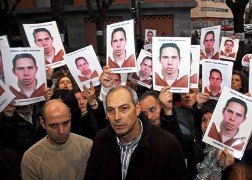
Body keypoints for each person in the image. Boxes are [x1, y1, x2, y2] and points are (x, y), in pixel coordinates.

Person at [84, 86, 189, 180]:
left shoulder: (167, 144)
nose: (117, 117)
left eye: (124, 108)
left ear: (138, 109)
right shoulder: (101, 139)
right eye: (111, 110)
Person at [21, 99, 93, 179]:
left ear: (70, 118)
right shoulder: (31, 158)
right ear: (42, 123)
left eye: (65, 123)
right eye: (54, 125)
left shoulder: (88, 146)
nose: (61, 131)